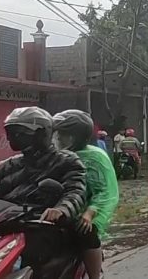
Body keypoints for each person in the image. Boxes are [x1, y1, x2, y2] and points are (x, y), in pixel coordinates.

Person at [0, 107, 87, 270]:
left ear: (42, 133)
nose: (15, 137)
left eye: (21, 132)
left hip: (44, 226)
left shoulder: (66, 161)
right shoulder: (5, 167)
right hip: (8, 226)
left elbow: (75, 191)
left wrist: (61, 209)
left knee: (83, 234)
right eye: (12, 133)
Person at [52, 110, 119, 279]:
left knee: (85, 233)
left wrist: (90, 213)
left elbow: (104, 192)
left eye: (63, 134)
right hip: (59, 208)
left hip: (87, 212)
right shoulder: (54, 156)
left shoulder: (94, 157)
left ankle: (94, 275)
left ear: (76, 136)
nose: (58, 138)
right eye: (57, 133)